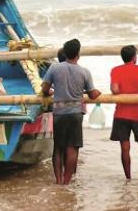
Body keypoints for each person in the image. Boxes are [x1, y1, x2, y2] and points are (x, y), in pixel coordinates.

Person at [42, 38, 101, 185]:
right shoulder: (84, 72)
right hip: (76, 113)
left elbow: (44, 89)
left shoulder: (54, 68)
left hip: (59, 113)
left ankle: (58, 180)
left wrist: (50, 92)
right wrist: (98, 92)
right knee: (72, 149)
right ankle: (67, 182)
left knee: (58, 148)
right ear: (78, 54)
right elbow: (93, 95)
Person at [109, 45, 138, 180]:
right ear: (134, 57)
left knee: (125, 147)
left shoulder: (116, 70)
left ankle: (128, 177)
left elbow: (115, 90)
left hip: (121, 113)